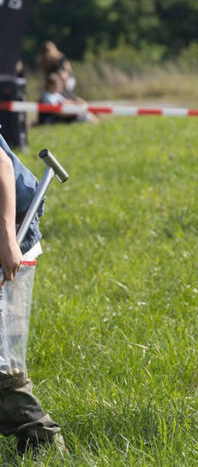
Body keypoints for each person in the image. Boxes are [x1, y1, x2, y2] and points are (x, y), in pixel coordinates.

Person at [0, 130, 66, 457]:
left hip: (11, 232)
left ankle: (42, 438)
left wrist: (7, 240)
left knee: (1, 359)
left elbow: (1, 165)